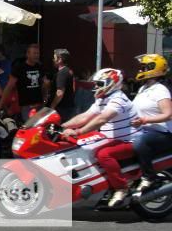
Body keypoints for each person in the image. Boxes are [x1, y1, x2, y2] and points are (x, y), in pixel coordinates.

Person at [62, 68, 142, 207]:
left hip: (130, 140)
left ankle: (121, 188)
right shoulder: (103, 99)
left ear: (111, 83)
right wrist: (61, 126)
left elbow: (102, 119)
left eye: (99, 83)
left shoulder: (118, 99)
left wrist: (79, 131)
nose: (96, 87)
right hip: (112, 138)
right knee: (81, 146)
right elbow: (85, 116)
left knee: (103, 154)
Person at [130, 54, 172, 192]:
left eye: (144, 68)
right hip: (143, 130)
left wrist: (145, 120)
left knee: (140, 142)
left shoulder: (160, 90)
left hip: (161, 133)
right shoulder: (143, 88)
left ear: (154, 68)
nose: (140, 71)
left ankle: (149, 177)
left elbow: (168, 114)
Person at [0, 44, 49, 121]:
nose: (37, 56)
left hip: (39, 105)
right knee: (30, 130)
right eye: (34, 53)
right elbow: (9, 86)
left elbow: (45, 83)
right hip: (27, 107)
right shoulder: (20, 68)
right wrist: (0, 104)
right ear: (28, 54)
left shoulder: (40, 67)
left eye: (38, 53)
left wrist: (45, 97)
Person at [48, 49, 76, 122]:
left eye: (54, 58)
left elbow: (60, 93)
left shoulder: (62, 73)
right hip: (68, 107)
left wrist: (52, 106)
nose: (53, 60)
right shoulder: (68, 70)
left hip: (62, 109)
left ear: (59, 59)